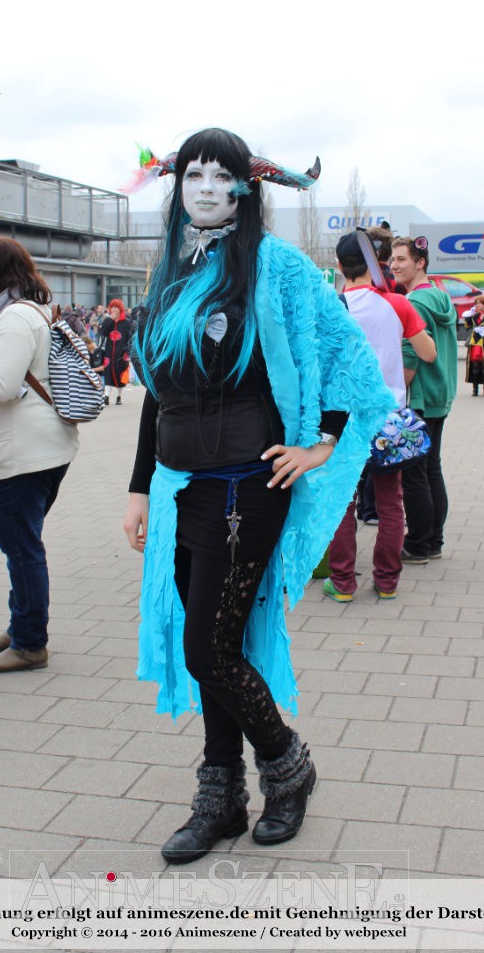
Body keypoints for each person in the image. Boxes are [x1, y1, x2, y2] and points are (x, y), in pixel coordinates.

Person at [122, 128, 393, 864]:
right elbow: (158, 393)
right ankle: (221, 799)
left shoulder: (275, 267)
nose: (206, 187)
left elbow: (347, 357)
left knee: (207, 646)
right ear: (177, 187)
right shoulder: (169, 276)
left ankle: (287, 766)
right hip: (179, 488)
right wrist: (140, 486)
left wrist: (321, 444)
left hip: (248, 484)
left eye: (222, 176)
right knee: (216, 643)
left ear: (245, 189)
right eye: (193, 174)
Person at [0, 237, 79, 673]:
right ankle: (22, 622)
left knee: (21, 548)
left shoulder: (13, 319)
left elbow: (2, 385)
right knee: (22, 544)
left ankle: (29, 643)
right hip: (37, 447)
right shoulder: (23, 311)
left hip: (22, 452)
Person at [324, 233, 436, 601]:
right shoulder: (397, 304)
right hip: (388, 419)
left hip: (343, 421)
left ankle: (342, 583)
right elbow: (428, 353)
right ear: (378, 263)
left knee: (343, 501)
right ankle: (387, 581)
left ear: (340, 267)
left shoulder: (331, 307)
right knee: (390, 502)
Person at [390, 236, 458, 565]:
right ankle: (434, 540)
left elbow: (409, 359)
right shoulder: (443, 298)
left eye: (402, 259)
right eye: (392, 259)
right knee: (432, 469)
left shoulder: (414, 303)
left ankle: (418, 544)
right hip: (441, 394)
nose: (394, 265)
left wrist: (393, 394)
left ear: (421, 263)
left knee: (415, 475)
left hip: (418, 397)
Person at [100, 298, 132, 405]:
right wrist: (110, 319)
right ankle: (106, 396)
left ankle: (118, 396)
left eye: (116, 307)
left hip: (121, 354)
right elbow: (103, 333)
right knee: (108, 372)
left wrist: (128, 352)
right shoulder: (108, 321)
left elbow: (130, 337)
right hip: (109, 353)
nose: (113, 309)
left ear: (120, 309)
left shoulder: (126, 323)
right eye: (112, 307)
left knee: (120, 374)